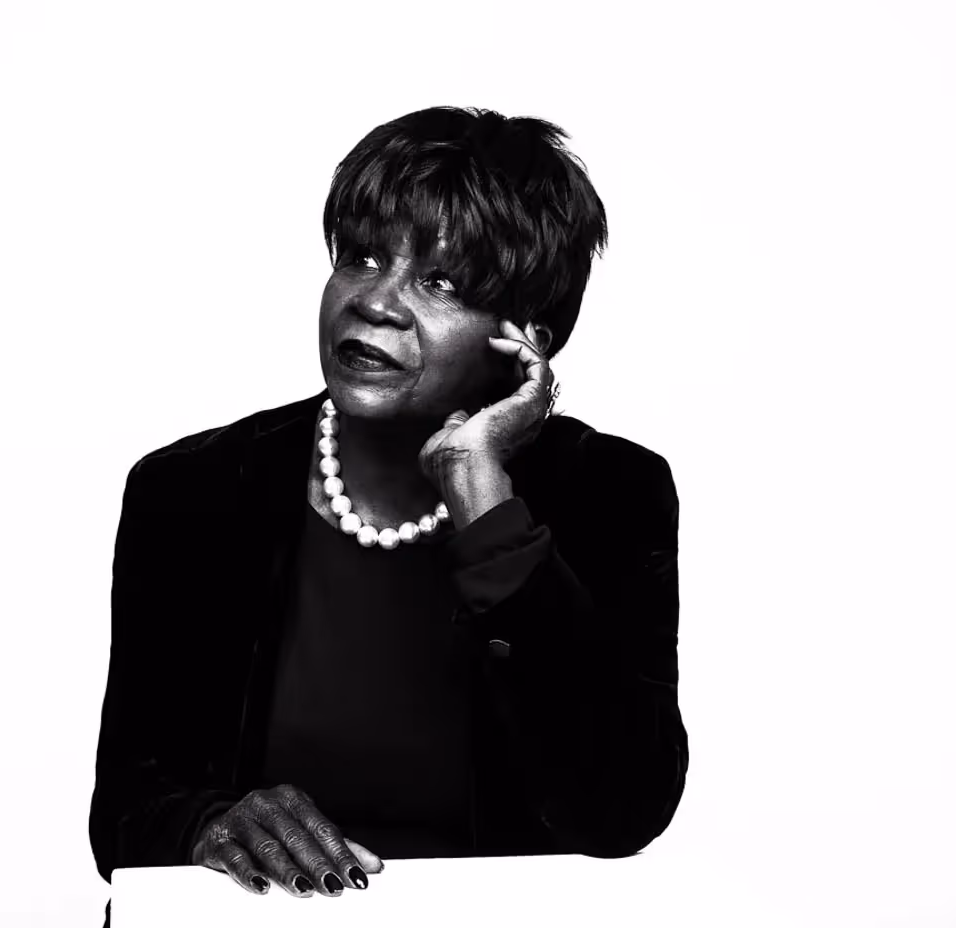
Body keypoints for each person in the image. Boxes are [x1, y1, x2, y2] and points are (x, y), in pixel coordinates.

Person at [89, 106, 687, 919]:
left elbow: (620, 810)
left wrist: (483, 500)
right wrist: (207, 824)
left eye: (441, 284)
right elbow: (124, 812)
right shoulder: (194, 491)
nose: (375, 302)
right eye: (362, 257)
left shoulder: (607, 491)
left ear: (525, 341)